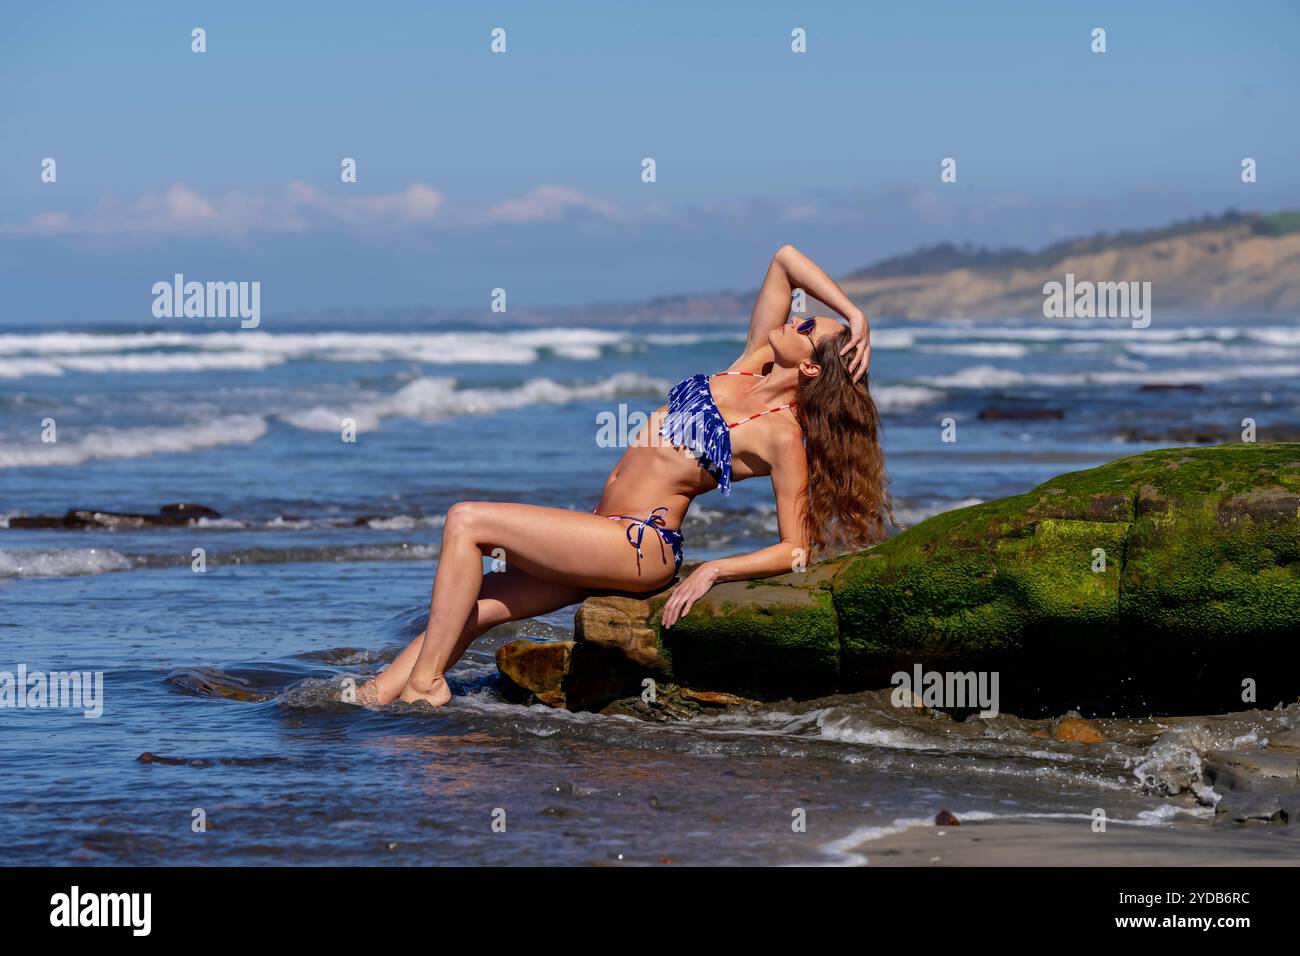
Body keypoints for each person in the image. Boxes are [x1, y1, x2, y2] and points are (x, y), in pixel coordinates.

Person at [358, 244, 896, 707]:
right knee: (476, 603)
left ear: (808, 369)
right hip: (605, 529)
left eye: (807, 327)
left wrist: (716, 571)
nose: (797, 318)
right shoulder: (748, 363)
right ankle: (376, 697)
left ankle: (427, 687)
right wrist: (854, 313)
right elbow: (785, 259)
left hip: (640, 547)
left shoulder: (780, 434)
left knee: (466, 521)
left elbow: (795, 549)